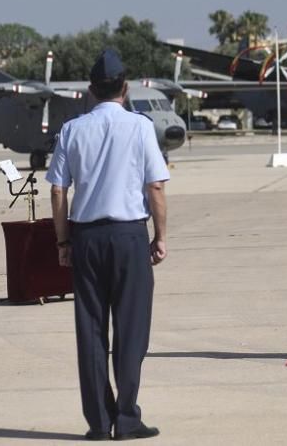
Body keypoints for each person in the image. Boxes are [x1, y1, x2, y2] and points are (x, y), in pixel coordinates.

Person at [48, 48, 170, 441]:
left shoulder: (72, 129)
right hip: (128, 235)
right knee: (131, 330)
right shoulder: (139, 127)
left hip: (86, 237)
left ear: (89, 90)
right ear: (125, 87)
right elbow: (155, 186)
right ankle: (128, 417)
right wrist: (160, 237)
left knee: (91, 329)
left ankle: (99, 422)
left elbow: (57, 191)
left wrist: (62, 240)